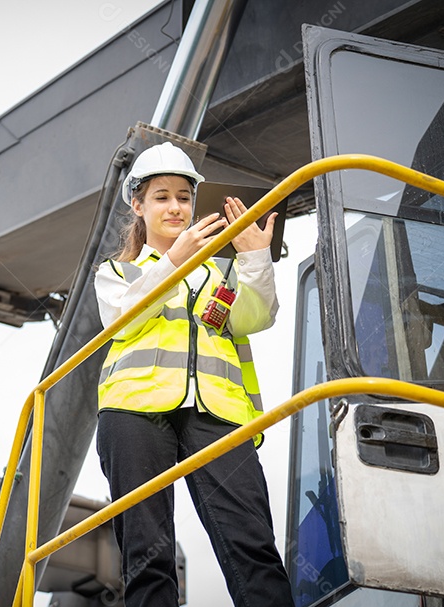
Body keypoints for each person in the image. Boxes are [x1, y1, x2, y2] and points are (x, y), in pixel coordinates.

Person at [94, 142, 294, 607]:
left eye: (184, 196)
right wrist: (172, 263)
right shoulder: (117, 271)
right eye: (161, 196)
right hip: (135, 415)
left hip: (218, 415)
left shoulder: (219, 276)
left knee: (253, 545)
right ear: (137, 205)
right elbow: (122, 318)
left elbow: (254, 318)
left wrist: (255, 259)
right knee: (147, 555)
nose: (175, 206)